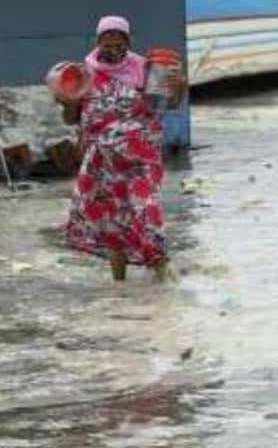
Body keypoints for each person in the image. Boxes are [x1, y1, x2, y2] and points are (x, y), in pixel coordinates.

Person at [57, 15, 186, 282]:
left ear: (128, 41)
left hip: (140, 159)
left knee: (146, 210)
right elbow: (72, 119)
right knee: (111, 220)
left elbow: (166, 105)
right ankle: (119, 285)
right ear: (98, 40)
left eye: (120, 40)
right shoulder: (84, 74)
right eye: (108, 39)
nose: (113, 45)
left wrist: (180, 88)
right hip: (102, 162)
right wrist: (68, 102)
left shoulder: (145, 69)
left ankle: (161, 270)